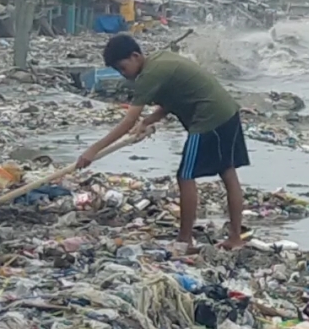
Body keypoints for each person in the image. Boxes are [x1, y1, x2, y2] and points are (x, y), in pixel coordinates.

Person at [76, 34, 249, 249]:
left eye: (122, 68)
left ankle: (185, 239)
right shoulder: (160, 59)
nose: (123, 74)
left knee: (185, 176)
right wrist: (148, 120)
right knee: (228, 172)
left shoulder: (149, 75)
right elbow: (174, 97)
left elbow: (128, 121)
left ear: (135, 56)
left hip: (208, 119)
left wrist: (93, 150)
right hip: (228, 112)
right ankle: (234, 238)